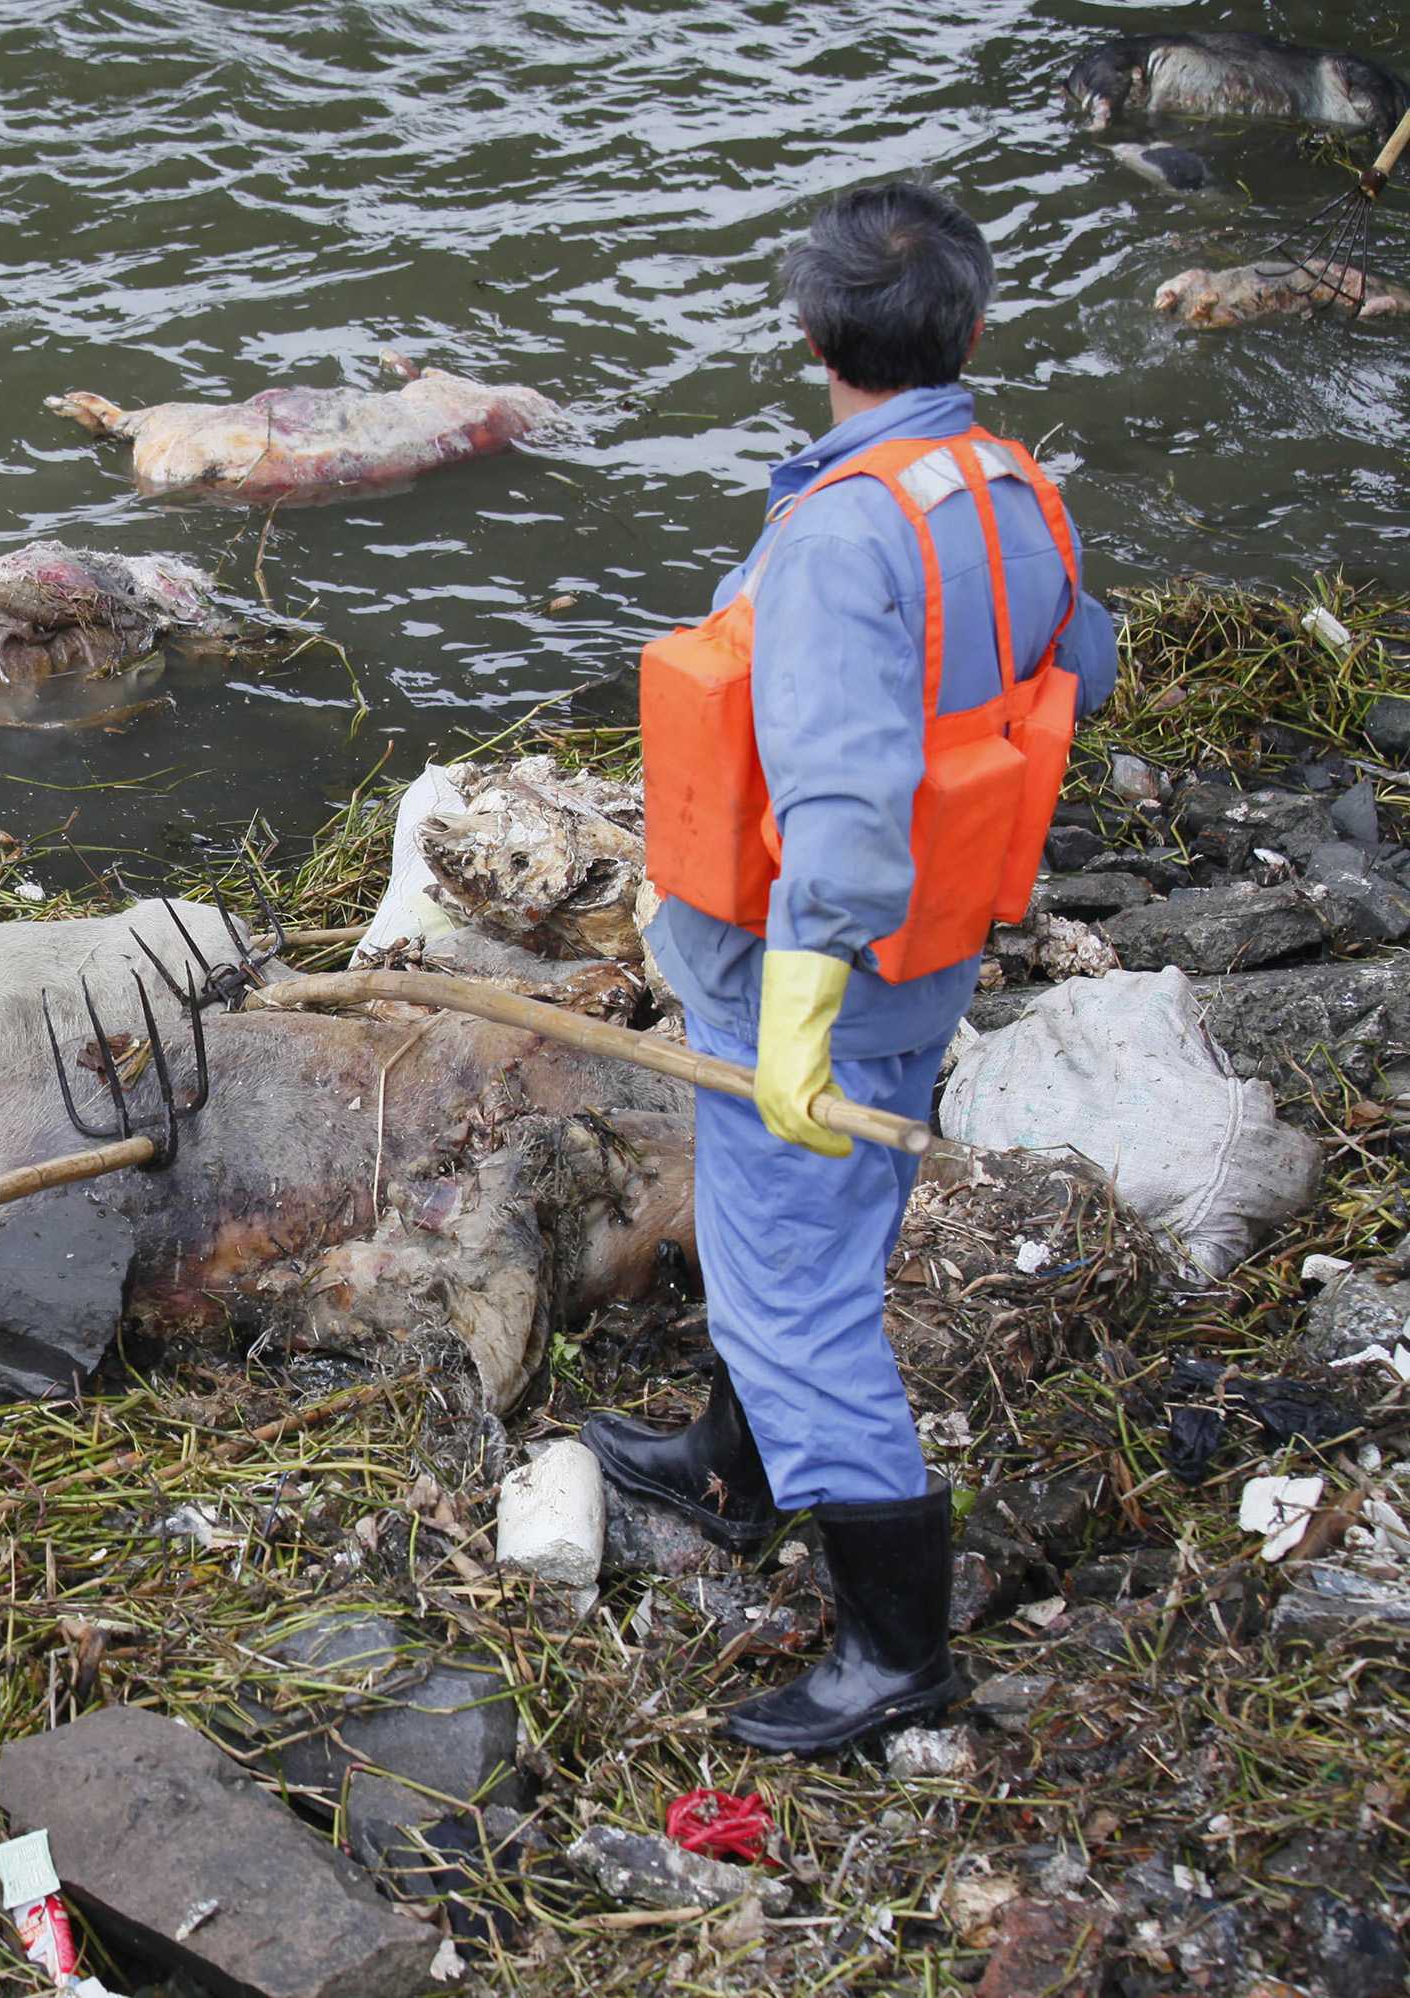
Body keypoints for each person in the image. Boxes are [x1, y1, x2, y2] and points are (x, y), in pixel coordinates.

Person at [592, 183, 1120, 1754]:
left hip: (807, 975)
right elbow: (1076, 660)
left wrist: (799, 1022)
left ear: (814, 334)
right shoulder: (1007, 487)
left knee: (803, 1308)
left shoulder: (837, 541)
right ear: (972, 326)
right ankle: (733, 1471)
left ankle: (897, 1651)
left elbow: (839, 826)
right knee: (785, 1260)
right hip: (929, 966)